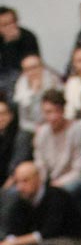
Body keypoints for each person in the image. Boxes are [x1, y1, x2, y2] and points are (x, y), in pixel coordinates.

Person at [33, 88, 81, 192]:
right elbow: (40, 164)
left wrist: (58, 184)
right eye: (48, 112)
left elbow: (79, 169)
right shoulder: (42, 132)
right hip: (50, 182)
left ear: (63, 110)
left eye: (57, 111)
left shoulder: (77, 130)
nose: (53, 117)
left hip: (72, 181)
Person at [0, 97, 32, 236]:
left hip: (17, 181)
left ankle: (2, 236)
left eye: (3, 114)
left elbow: (17, 165)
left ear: (11, 115)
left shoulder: (22, 135)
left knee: (10, 193)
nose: (0, 118)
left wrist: (5, 187)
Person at [12, 54, 62, 133]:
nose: (32, 72)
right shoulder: (21, 89)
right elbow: (23, 122)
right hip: (34, 128)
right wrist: (33, 93)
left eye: (34, 67)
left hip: (56, 123)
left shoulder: (54, 82)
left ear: (42, 67)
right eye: (27, 69)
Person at [0, 6, 40, 97]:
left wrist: (11, 43)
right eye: (5, 25)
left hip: (23, 74)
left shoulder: (27, 37)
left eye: (12, 22)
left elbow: (30, 63)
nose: (10, 26)